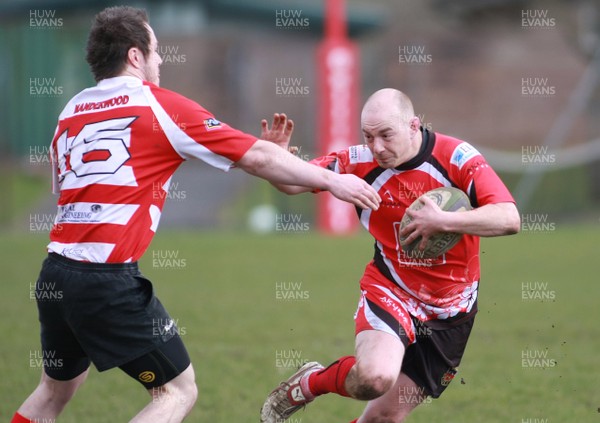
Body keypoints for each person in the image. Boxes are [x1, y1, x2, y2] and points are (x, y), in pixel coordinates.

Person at [10, 6, 381, 423]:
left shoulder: (70, 112)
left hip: (56, 274)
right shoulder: (158, 105)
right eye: (156, 50)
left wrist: (267, 155)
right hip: (106, 280)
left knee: (52, 392)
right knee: (176, 391)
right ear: (135, 56)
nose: (161, 59)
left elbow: (66, 192)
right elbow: (256, 156)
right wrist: (332, 181)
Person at [260, 88, 520, 423]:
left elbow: (510, 218)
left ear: (414, 126)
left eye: (386, 135)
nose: (377, 147)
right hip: (392, 289)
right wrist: (275, 160)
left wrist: (445, 221)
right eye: (369, 137)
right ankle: (310, 383)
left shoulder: (457, 157)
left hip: (452, 310)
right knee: (373, 378)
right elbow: (293, 183)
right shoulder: (358, 161)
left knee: (382, 418)